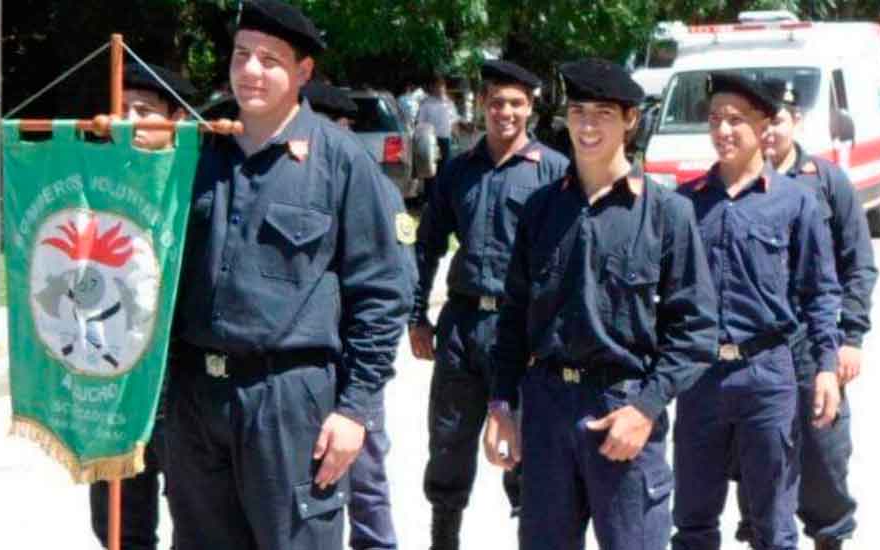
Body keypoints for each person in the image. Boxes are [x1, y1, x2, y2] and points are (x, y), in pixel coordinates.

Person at [165, 1, 409, 549]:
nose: (251, 70)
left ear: (302, 73)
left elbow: (381, 293)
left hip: (288, 401)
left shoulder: (341, 161)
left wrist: (355, 410)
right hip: (197, 399)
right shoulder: (198, 151)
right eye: (242, 55)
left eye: (270, 60)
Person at [483, 57, 719, 550]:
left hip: (623, 410)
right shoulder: (541, 210)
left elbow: (695, 331)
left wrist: (646, 408)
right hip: (547, 410)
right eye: (579, 111)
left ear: (630, 120)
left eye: (604, 113)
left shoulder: (666, 214)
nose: (587, 125)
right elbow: (513, 318)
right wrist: (502, 403)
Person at [671, 72, 842, 550]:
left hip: (767, 376)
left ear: (764, 125)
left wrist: (827, 368)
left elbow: (820, 291)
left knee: (773, 523)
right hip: (700, 376)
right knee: (692, 520)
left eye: (735, 120)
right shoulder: (685, 205)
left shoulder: (795, 202)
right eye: (714, 120)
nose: (722, 130)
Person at [409, 59, 569, 550]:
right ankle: (444, 539)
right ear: (481, 105)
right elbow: (427, 245)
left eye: (516, 103)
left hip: (519, 329)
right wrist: (417, 315)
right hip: (460, 325)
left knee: (525, 450)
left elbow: (566, 261)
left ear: (531, 107)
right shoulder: (458, 171)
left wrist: (551, 335)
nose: (505, 112)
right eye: (496, 101)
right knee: (449, 443)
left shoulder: (554, 172)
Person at [730, 78, 878, 550]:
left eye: (777, 119)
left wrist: (850, 337)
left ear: (795, 120)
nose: (769, 131)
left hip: (813, 344)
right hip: (754, 349)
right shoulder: (734, 183)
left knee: (823, 456)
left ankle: (829, 538)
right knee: (758, 460)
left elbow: (858, 264)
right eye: (762, 120)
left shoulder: (827, 181)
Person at [303, 78, 417, 550]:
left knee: (364, 478)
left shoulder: (372, 185)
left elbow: (400, 281)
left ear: (345, 128)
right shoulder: (285, 180)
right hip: (301, 368)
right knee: (307, 483)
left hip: (353, 359)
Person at [87, 61, 195, 550]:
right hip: (115, 374)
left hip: (183, 377)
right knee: (117, 521)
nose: (129, 119)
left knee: (197, 515)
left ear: (174, 118)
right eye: (121, 108)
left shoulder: (198, 180)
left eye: (144, 110)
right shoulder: (93, 181)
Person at [417, 74, 460, 197]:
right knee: (430, 168)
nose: (440, 89)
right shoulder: (426, 103)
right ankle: (429, 196)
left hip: (446, 139)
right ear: (432, 88)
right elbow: (421, 123)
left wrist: (456, 135)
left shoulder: (449, 103)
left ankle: (443, 196)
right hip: (430, 140)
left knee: (445, 168)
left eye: (442, 86)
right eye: (437, 86)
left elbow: (454, 120)